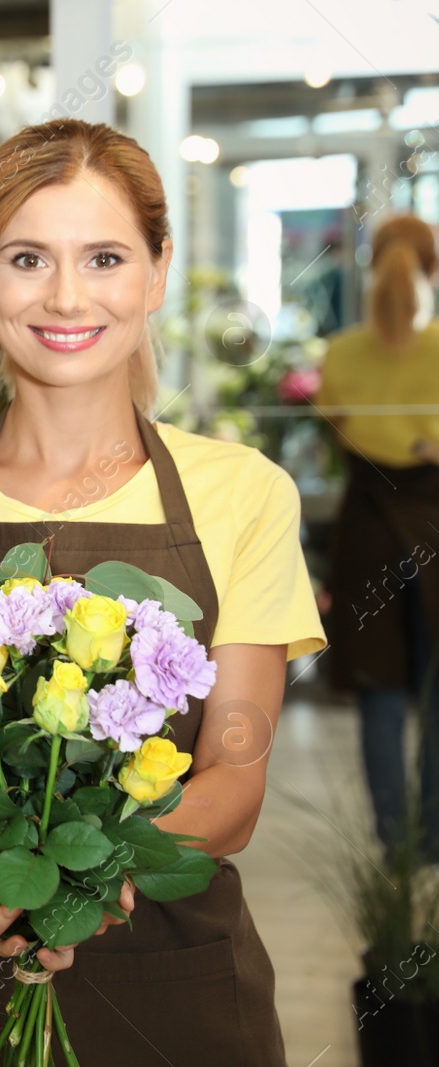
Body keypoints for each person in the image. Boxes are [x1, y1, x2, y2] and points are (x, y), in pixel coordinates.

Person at [0, 119, 325, 1066]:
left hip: (180, 975)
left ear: (156, 271)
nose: (67, 296)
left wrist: (72, 878)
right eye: (28, 258)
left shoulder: (245, 493)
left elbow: (235, 780)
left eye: (104, 257)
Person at [317, 214, 439, 858]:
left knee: (381, 690)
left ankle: (395, 839)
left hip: (367, 526)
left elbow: (336, 437)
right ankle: (436, 835)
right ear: (434, 268)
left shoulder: (341, 352)